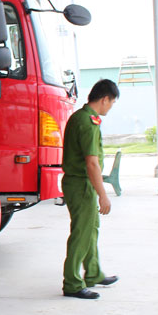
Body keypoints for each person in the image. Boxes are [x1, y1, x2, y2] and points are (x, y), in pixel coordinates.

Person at [61, 78, 120, 300]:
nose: (110, 107)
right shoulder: (87, 122)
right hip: (81, 184)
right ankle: (73, 283)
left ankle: (93, 273)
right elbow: (92, 163)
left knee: (91, 229)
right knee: (82, 233)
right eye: (111, 102)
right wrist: (103, 195)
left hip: (80, 183)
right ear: (104, 99)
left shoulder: (82, 117)